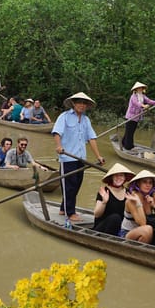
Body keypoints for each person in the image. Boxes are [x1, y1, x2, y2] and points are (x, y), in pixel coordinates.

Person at [52, 92, 105, 222]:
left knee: (76, 184)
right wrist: (59, 146)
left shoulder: (86, 120)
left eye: (84, 103)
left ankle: (63, 208)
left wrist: (98, 156)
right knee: (69, 185)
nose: (81, 105)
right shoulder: (64, 117)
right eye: (79, 102)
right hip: (67, 157)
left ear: (86, 106)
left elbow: (91, 138)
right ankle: (70, 213)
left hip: (81, 158)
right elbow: (57, 132)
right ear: (73, 104)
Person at [119, 170, 155, 243]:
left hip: (148, 232)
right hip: (128, 233)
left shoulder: (153, 195)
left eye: (150, 182)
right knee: (147, 229)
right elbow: (142, 223)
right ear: (138, 183)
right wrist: (138, 203)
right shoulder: (131, 200)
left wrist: (154, 206)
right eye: (144, 182)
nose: (148, 185)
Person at [93, 163, 135, 235]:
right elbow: (96, 214)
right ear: (111, 177)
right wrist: (104, 202)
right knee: (115, 218)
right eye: (116, 175)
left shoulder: (128, 193)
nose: (118, 178)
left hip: (120, 229)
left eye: (121, 175)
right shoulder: (105, 191)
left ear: (125, 178)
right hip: (102, 229)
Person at [121, 81, 155, 150]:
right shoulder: (133, 96)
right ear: (136, 89)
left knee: (130, 131)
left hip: (136, 117)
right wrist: (144, 106)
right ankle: (128, 146)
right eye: (139, 88)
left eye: (141, 88)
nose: (140, 89)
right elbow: (137, 104)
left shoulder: (142, 96)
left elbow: (149, 101)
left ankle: (123, 142)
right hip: (131, 117)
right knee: (129, 131)